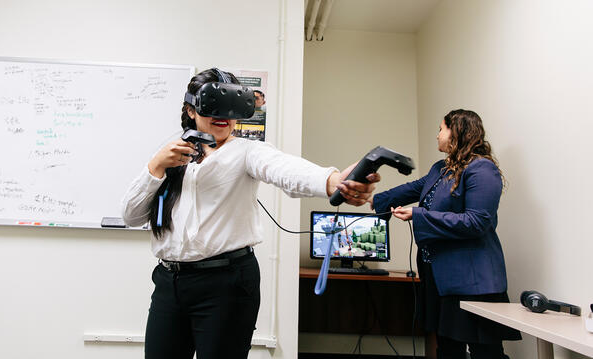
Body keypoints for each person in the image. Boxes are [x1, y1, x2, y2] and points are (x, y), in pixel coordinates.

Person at [121, 68, 379, 359]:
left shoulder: (247, 152)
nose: (224, 115)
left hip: (226, 284)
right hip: (170, 282)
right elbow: (131, 216)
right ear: (190, 110)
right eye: (213, 104)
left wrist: (332, 181)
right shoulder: (170, 154)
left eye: (232, 106)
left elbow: (284, 168)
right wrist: (156, 166)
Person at [371, 109, 521, 359]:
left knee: (486, 352)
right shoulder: (441, 169)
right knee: (448, 350)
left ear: (456, 131)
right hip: (441, 280)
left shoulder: (482, 169)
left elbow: (477, 222)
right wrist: (373, 199)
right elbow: (412, 188)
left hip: (473, 282)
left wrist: (418, 215)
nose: (437, 134)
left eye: (441, 128)